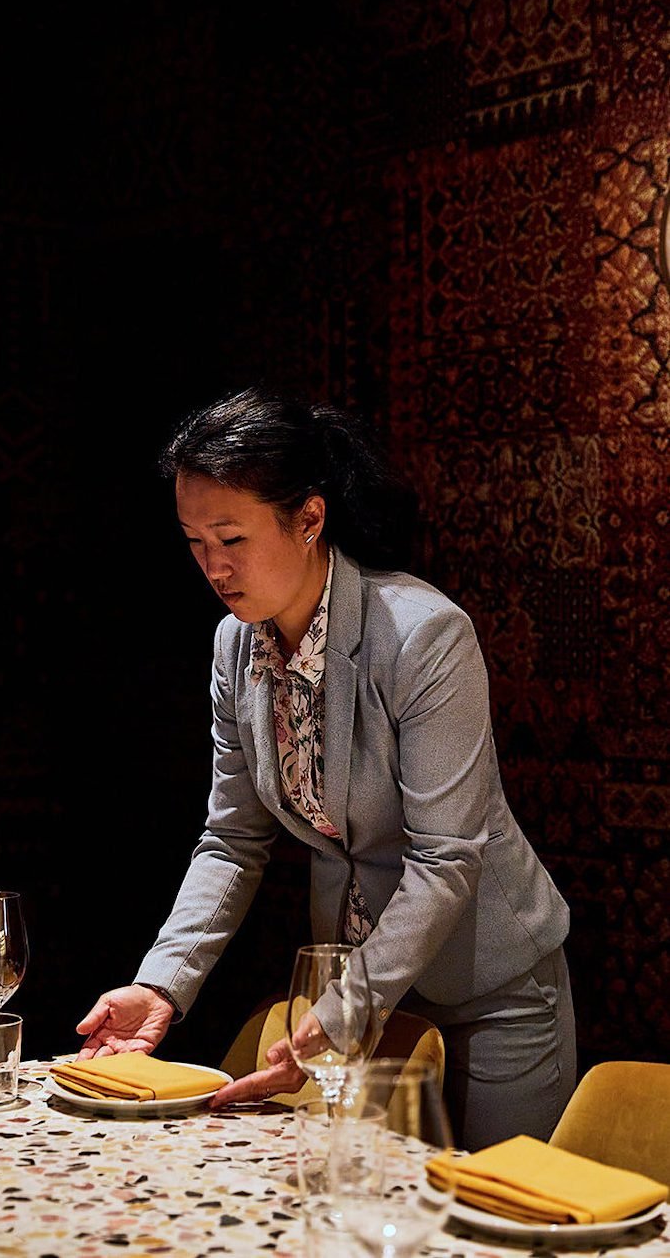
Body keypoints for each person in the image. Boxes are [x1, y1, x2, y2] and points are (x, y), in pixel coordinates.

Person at [75, 385, 576, 1149]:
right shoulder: (234, 645)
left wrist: (341, 1008)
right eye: (193, 541)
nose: (212, 566)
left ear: (308, 518)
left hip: (489, 993)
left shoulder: (422, 634)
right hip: (358, 990)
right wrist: (161, 983)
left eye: (231, 537)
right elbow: (231, 838)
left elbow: (445, 859)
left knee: (493, 1220)